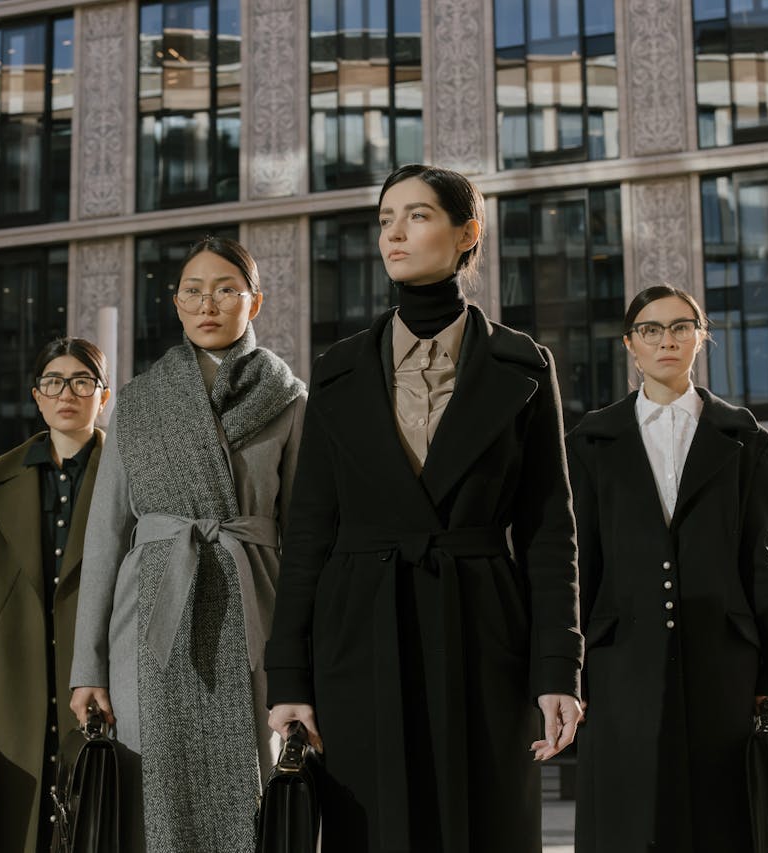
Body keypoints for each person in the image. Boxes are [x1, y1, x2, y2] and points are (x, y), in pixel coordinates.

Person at [264, 164, 584, 852]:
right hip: (359, 633)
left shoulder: (525, 365)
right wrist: (289, 674)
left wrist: (559, 667)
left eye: (417, 215)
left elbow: (548, 531)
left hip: (483, 629)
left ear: (468, 233)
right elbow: (310, 530)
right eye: (385, 219)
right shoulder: (339, 368)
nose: (394, 233)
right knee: (370, 828)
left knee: (485, 824)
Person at [69, 236, 306, 853]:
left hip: (250, 604)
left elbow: (307, 538)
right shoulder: (138, 400)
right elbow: (103, 538)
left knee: (251, 789)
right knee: (150, 798)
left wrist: (303, 665)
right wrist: (87, 666)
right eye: (194, 291)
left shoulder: (290, 398)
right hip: (147, 620)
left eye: (227, 289)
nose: (209, 304)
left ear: (254, 303)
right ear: (176, 303)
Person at [566, 284, 768, 853]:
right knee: (627, 820)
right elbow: (580, 562)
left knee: (723, 819)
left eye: (680, 327)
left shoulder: (745, 439)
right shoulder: (590, 440)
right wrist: (569, 670)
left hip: (723, 658)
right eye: (651, 329)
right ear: (629, 344)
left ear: (700, 338)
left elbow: (757, 556)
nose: (666, 340)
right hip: (618, 660)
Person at [0, 336, 112, 852]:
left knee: (97, 825)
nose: (68, 393)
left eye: (82, 381)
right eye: (54, 382)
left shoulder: (129, 475)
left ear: (103, 396)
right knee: (18, 830)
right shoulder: (0, 477)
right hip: (12, 688)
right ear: (36, 396)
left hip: (100, 687)